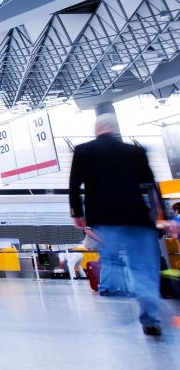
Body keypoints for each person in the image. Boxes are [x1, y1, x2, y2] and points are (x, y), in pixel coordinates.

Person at [69, 114, 171, 337]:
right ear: (116, 130)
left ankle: (120, 294)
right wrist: (162, 215)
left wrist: (77, 213)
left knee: (112, 260)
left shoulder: (84, 151)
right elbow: (150, 185)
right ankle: (150, 317)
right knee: (144, 269)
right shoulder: (135, 151)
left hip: (105, 218)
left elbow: (74, 185)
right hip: (137, 218)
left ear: (97, 129)